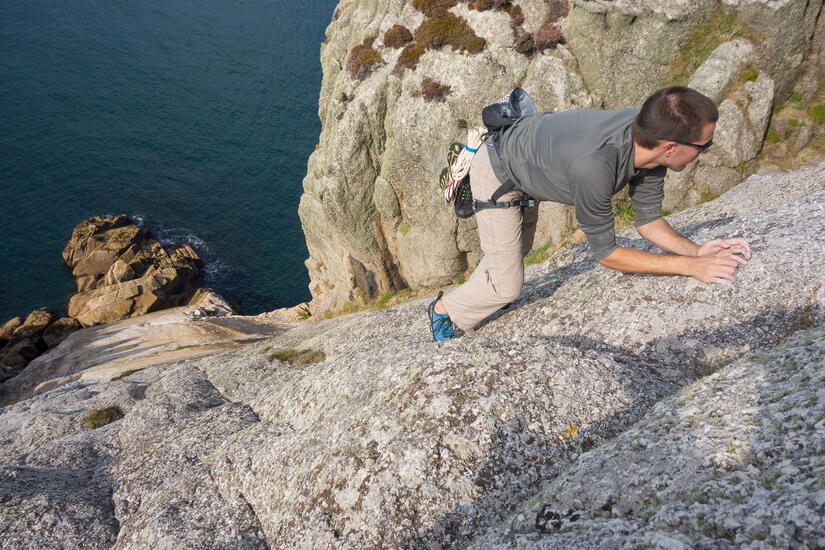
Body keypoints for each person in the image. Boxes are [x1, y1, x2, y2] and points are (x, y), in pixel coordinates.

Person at [428, 86, 751, 341]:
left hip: (531, 166)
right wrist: (690, 267)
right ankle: (444, 312)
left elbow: (648, 221)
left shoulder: (646, 140)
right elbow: (608, 254)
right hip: (499, 172)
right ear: (669, 147)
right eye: (702, 146)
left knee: (515, 254)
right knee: (506, 286)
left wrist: (697, 251)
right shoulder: (595, 166)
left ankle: (483, 289)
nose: (705, 152)